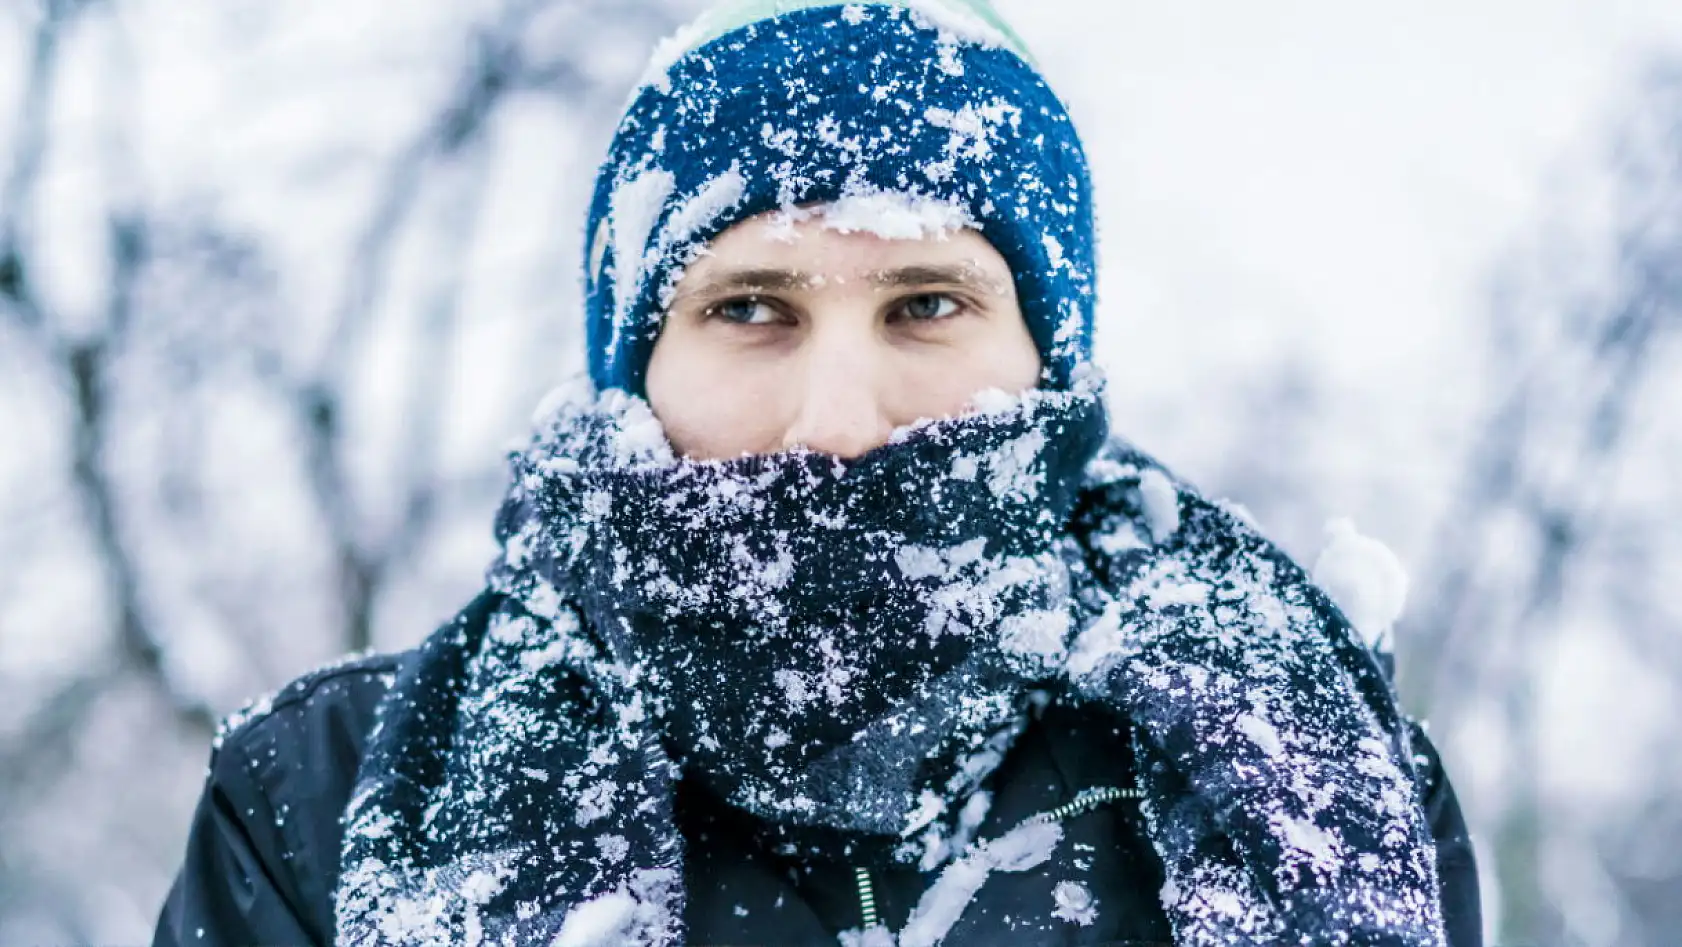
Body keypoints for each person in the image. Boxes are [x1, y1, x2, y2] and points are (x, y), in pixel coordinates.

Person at [153, 1, 1480, 945]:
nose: (836, 420)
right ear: (636, 362)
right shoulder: (324, 796)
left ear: (1045, 355)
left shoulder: (1307, 772)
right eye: (747, 309)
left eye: (925, 305)